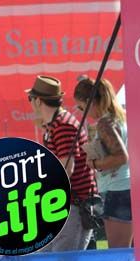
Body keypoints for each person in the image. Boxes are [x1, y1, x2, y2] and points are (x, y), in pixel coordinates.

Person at [26, 75, 98, 251]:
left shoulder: (62, 126)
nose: (30, 103)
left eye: (30, 99)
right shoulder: (56, 124)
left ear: (38, 101)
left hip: (70, 206)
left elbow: (67, 168)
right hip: (64, 204)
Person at [74, 77, 131, 248]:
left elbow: (121, 157)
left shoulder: (105, 123)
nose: (83, 112)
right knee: (126, 250)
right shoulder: (120, 118)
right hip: (124, 188)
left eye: (81, 107)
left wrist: (95, 164)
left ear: (89, 102)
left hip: (116, 191)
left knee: (118, 250)